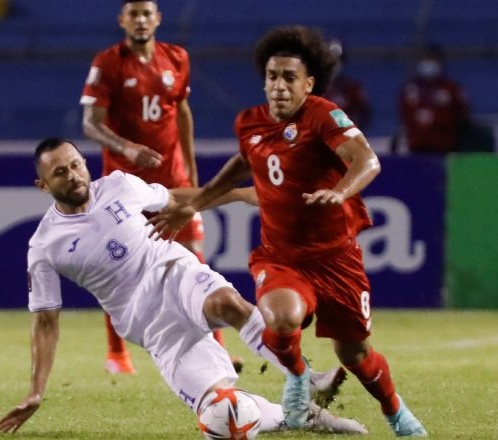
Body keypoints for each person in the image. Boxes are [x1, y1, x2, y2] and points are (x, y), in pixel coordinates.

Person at [149, 26, 428, 436]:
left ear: (308, 83)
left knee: (355, 353)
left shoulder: (323, 115)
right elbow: (241, 167)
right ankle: (298, 376)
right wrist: (194, 203)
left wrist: (339, 192)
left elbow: (367, 161)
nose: (279, 86)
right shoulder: (250, 123)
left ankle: (396, 412)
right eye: (272, 76)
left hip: (336, 260)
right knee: (279, 319)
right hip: (282, 258)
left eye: (289, 77)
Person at [0, 138, 367, 436]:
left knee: (227, 303)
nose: (74, 175)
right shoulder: (44, 246)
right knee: (223, 415)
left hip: (173, 270)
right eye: (60, 172)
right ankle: (304, 417)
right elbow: (46, 323)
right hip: (148, 324)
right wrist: (35, 391)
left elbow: (177, 198)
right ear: (43, 185)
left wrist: (239, 194)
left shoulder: (120, 186)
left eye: (76, 164)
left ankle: (305, 378)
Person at [80, 0, 236, 374]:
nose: (140, 20)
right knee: (117, 267)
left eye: (146, 13)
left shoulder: (177, 58)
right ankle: (117, 355)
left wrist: (193, 175)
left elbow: (181, 112)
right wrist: (126, 147)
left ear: (157, 19)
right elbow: (90, 122)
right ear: (122, 20)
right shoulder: (108, 62)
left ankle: (217, 348)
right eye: (133, 14)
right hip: (125, 187)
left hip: (173, 180)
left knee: (196, 260)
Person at [398, 44, 469, 154]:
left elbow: (463, 115)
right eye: (425, 59)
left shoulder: (451, 88)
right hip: (415, 148)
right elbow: (403, 114)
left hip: (444, 148)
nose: (428, 64)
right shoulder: (409, 89)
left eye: (432, 59)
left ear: (440, 62)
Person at [323, 39, 372, 130]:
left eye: (338, 60)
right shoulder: (314, 89)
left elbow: (366, 112)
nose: (335, 65)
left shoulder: (351, 88)